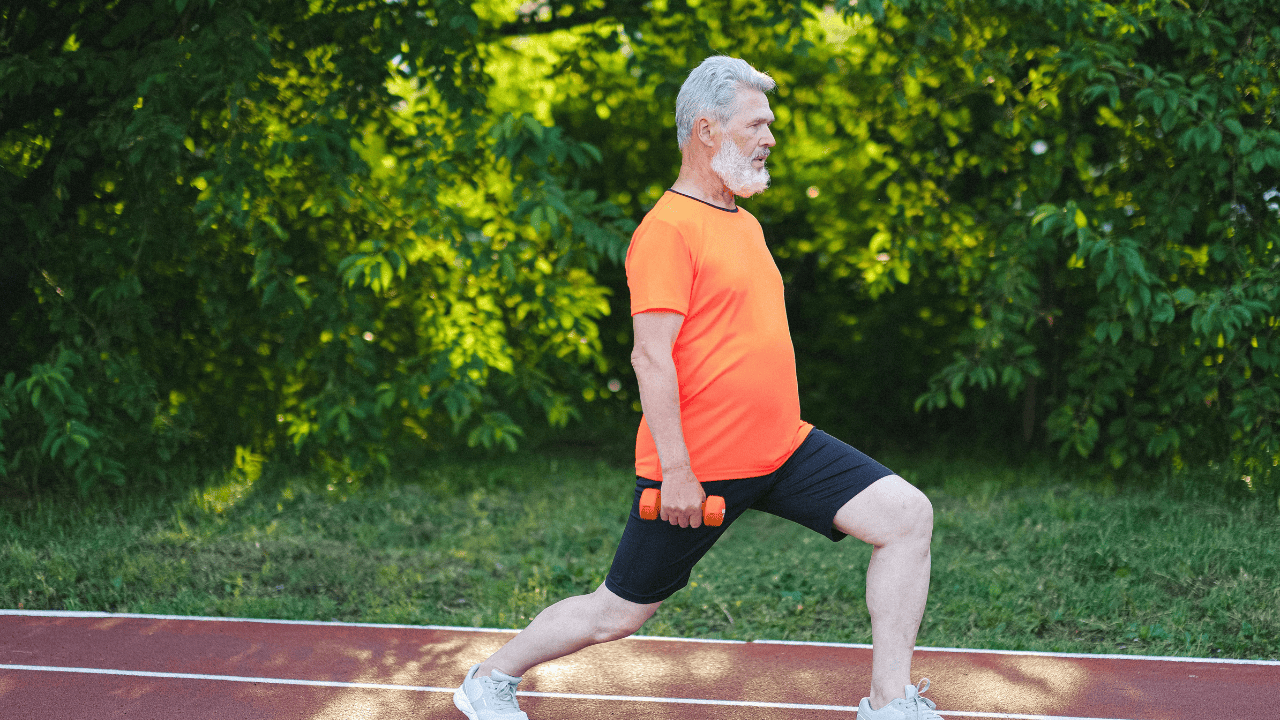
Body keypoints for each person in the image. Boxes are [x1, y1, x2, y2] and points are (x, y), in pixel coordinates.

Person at [454, 55, 942, 720]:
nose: (771, 137)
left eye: (771, 125)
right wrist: (677, 471)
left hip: (782, 449)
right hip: (699, 465)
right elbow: (650, 357)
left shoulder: (744, 223)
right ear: (707, 130)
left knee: (907, 518)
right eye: (758, 124)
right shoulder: (667, 229)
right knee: (618, 613)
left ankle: (889, 702)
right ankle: (490, 677)